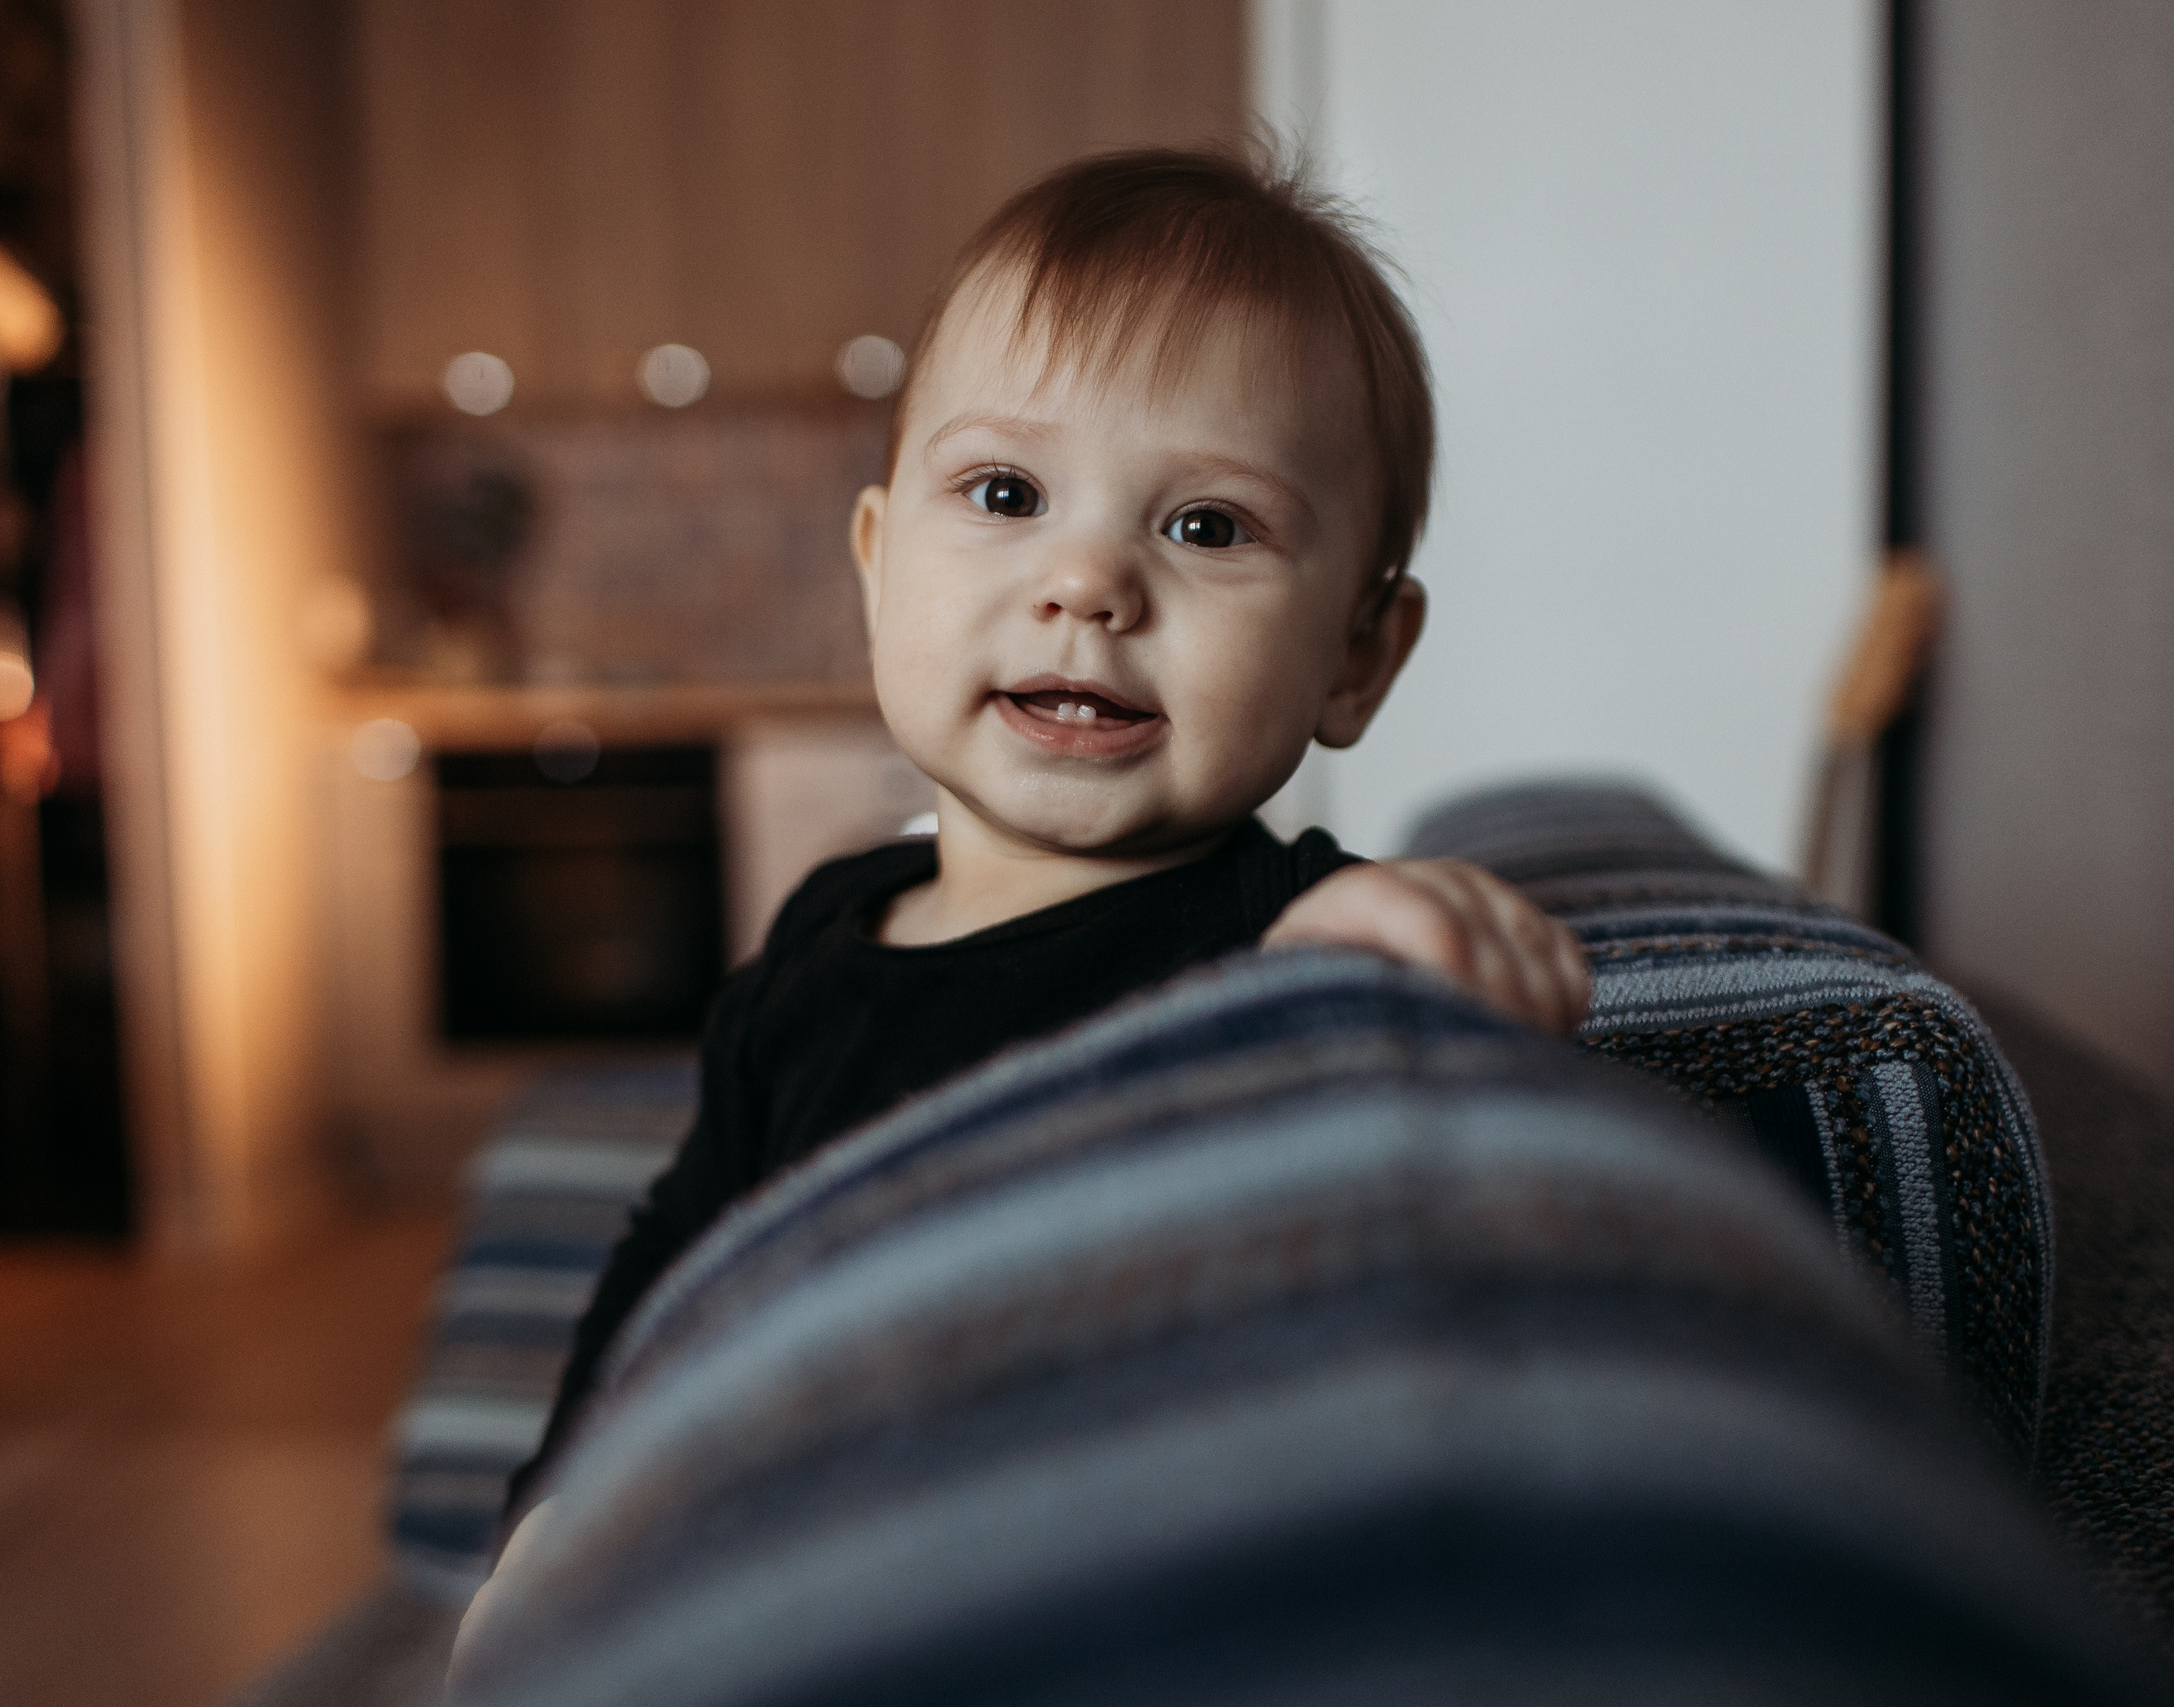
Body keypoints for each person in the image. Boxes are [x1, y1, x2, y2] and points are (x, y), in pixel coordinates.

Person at [489, 143, 1593, 1564]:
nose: (1087, 584)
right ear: (878, 564)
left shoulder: (1287, 946)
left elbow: (1392, 1118)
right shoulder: (825, 929)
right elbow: (675, 1258)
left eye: (1206, 526)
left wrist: (1403, 945)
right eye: (1007, 494)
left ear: (1357, 656)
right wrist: (554, 1517)